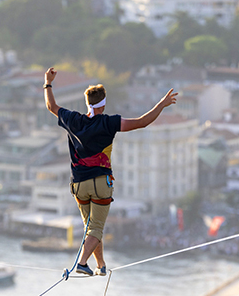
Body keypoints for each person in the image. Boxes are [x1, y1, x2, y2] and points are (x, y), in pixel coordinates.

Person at [43, 67, 177, 278]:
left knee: (92, 228)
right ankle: (82, 262)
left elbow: (51, 106)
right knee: (96, 228)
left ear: (87, 103)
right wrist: (162, 103)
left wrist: (48, 82)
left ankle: (101, 265)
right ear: (103, 104)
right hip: (100, 182)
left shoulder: (73, 119)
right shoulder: (108, 122)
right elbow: (142, 122)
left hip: (78, 185)